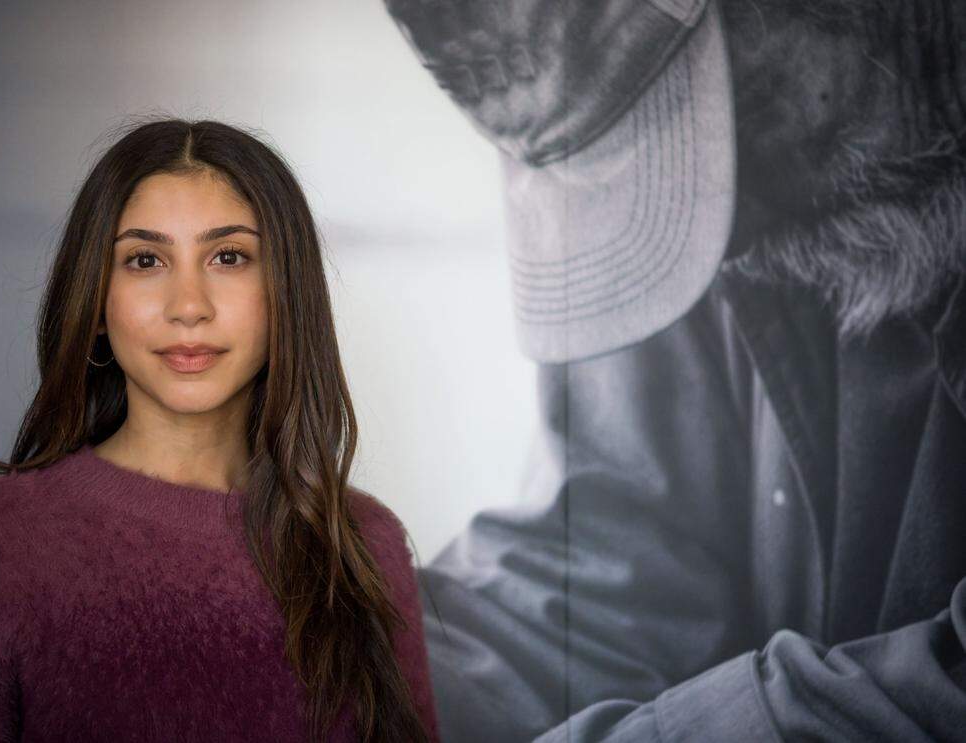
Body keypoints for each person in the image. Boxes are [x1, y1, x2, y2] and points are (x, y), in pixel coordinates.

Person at [382, 0, 966, 740]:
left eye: (713, 124)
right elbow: (609, 561)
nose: (717, 243)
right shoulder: (718, 214)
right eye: (627, 161)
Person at [0, 118, 440, 743]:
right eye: (145, 260)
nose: (188, 305)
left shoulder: (366, 547)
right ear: (95, 302)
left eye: (229, 257)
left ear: (287, 296)